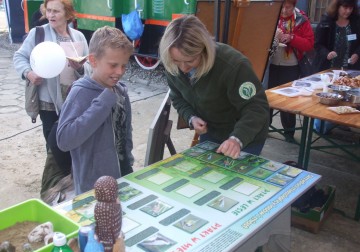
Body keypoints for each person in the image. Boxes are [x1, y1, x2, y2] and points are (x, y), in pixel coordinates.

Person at [159, 15, 269, 158]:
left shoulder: (233, 65)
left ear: (204, 50)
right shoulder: (172, 65)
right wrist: (191, 117)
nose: (183, 68)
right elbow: (177, 98)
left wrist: (236, 139)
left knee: (235, 178)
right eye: (176, 61)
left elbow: (256, 108)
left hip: (246, 135)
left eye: (190, 61)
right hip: (212, 132)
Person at [13, 0, 88, 197]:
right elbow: (19, 57)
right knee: (54, 145)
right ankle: (55, 186)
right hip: (49, 104)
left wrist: (80, 67)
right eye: (49, 11)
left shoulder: (78, 36)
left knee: (74, 141)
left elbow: (89, 68)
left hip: (74, 102)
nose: (51, 15)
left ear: (68, 13)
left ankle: (73, 179)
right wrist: (29, 73)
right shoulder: (38, 34)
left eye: (56, 11)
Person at [56, 26, 134, 195]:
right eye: (113, 65)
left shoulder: (121, 91)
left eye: (124, 66)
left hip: (122, 176)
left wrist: (128, 159)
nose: (119, 72)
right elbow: (64, 140)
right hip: (92, 187)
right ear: (93, 60)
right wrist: (102, 104)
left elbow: (125, 131)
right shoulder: (80, 93)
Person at [268, 0, 314, 142]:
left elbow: (309, 44)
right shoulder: (270, 16)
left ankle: (289, 132)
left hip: (291, 65)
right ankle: (264, 128)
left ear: (294, 6)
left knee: (287, 100)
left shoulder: (301, 19)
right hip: (271, 64)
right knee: (267, 97)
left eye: (288, 7)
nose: (284, 10)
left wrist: (292, 38)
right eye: (282, 6)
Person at [313, 0, 360, 134]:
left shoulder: (356, 22)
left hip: (349, 70)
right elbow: (317, 44)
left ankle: (340, 121)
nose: (348, 11)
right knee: (327, 97)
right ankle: (320, 126)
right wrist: (326, 53)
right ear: (337, 7)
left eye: (351, 8)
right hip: (328, 69)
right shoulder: (326, 21)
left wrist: (357, 53)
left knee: (347, 99)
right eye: (345, 7)